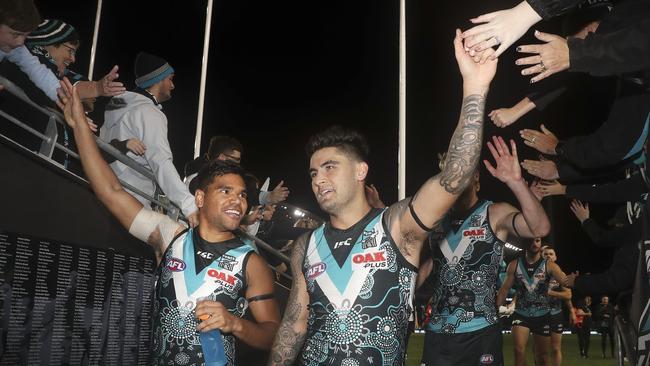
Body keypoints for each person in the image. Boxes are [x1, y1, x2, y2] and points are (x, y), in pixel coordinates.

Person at [267, 29, 498, 366]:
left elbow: (454, 179)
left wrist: (474, 89)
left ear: (361, 171)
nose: (319, 179)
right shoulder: (306, 244)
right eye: (314, 172)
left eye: (330, 167)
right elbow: (293, 326)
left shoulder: (396, 225)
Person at [56, 77, 280, 365]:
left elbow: (273, 333)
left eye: (242, 195)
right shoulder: (171, 236)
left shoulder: (251, 262)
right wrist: (78, 130)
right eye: (225, 191)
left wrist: (235, 324)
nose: (238, 200)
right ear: (199, 197)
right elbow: (110, 191)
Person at [417, 135, 550, 366]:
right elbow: (424, 268)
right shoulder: (436, 221)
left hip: (481, 333)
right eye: (449, 175)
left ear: (476, 178)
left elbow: (539, 227)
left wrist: (516, 183)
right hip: (438, 334)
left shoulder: (495, 213)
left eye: (462, 173)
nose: (455, 180)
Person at [99, 52, 198, 226]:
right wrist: (189, 205)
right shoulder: (150, 113)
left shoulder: (116, 105)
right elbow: (160, 162)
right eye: (170, 79)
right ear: (157, 80)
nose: (172, 85)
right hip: (132, 202)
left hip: (105, 191)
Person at [497, 238, 569, 366]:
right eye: (531, 240)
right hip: (521, 313)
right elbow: (504, 290)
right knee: (518, 351)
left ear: (540, 243)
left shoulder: (550, 265)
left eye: (537, 241)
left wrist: (577, 280)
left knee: (542, 356)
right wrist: (494, 309)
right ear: (524, 243)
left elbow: (566, 284)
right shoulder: (514, 264)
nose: (535, 244)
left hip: (542, 315)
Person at [0, 0, 60, 99]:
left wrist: (64, 98)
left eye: (25, 36)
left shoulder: (15, 49)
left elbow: (38, 72)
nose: (21, 42)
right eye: (16, 34)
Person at [542, 245, 575, 366]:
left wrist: (571, 311)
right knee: (540, 349)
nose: (548, 256)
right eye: (545, 254)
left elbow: (568, 295)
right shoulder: (534, 274)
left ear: (555, 257)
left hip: (555, 314)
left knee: (556, 348)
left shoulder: (560, 274)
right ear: (540, 257)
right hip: (538, 314)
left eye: (551, 254)